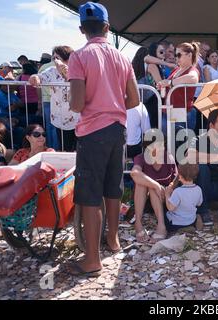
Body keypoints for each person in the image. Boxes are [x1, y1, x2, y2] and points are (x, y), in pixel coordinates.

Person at [66, 2, 140, 276]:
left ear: (82, 29)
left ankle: (92, 259)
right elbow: (133, 99)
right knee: (113, 187)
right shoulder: (122, 58)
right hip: (117, 128)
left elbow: (76, 104)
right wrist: (111, 99)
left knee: (88, 195)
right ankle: (113, 240)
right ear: (107, 27)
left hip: (92, 131)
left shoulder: (79, 56)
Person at [29, 46, 80, 151]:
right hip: (60, 117)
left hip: (78, 117)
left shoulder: (77, 69)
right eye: (54, 58)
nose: (55, 61)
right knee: (65, 147)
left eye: (58, 57)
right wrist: (35, 77)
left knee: (79, 148)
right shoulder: (51, 71)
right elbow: (41, 77)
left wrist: (66, 72)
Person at [131, 133, 177, 242]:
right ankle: (138, 223)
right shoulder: (141, 158)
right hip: (145, 200)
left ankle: (161, 226)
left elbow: (177, 179)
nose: (162, 148)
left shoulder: (168, 157)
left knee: (151, 186)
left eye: (162, 145)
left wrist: (168, 189)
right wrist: (155, 185)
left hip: (165, 198)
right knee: (144, 184)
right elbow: (134, 173)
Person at [157, 42, 200, 135]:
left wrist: (170, 82)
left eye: (179, 55)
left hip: (182, 112)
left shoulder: (192, 70)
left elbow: (193, 78)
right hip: (169, 111)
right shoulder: (177, 69)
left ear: (189, 55)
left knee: (180, 145)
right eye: (176, 55)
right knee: (168, 143)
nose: (176, 57)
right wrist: (163, 85)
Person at [165, 163, 203, 232]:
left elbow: (170, 208)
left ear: (180, 177)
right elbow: (199, 204)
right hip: (191, 220)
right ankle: (194, 224)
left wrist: (167, 194)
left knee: (165, 214)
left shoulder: (178, 191)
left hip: (176, 224)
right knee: (196, 214)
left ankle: (181, 230)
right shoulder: (198, 189)